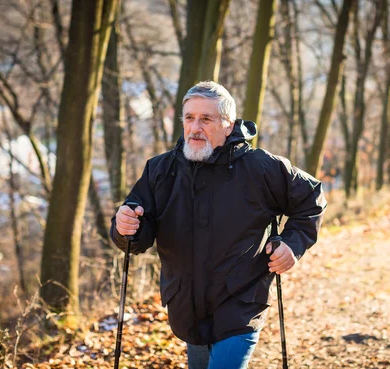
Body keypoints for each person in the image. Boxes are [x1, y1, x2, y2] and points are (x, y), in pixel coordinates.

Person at [110, 81, 326, 369]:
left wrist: (292, 245)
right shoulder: (161, 170)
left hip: (241, 305)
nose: (195, 127)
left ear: (228, 124)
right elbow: (137, 233)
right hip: (187, 309)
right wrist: (124, 228)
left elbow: (312, 197)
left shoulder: (260, 168)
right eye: (189, 118)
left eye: (206, 118)